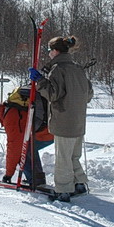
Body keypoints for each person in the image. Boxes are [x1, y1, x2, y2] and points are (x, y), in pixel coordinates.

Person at [30, 35, 93, 202]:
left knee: (63, 157)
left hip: (64, 121)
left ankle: (63, 191)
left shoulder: (58, 69)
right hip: (79, 121)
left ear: (55, 51)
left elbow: (53, 94)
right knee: (73, 156)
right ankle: (79, 183)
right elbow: (89, 94)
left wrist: (40, 81)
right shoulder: (78, 68)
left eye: (49, 50)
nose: (48, 53)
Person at [0, 99, 54, 188]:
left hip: (46, 133)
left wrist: (8, 175)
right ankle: (36, 179)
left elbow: (14, 148)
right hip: (48, 130)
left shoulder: (10, 116)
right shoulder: (11, 109)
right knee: (27, 147)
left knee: (23, 151)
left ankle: (35, 180)